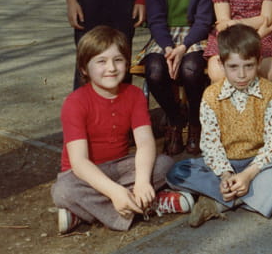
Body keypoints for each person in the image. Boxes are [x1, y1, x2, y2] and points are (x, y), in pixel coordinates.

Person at [52, 26, 193, 234]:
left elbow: (145, 142)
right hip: (85, 174)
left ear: (126, 63)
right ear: (84, 69)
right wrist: (115, 192)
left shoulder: (134, 95)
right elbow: (79, 163)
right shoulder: (75, 102)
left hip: (121, 167)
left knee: (165, 164)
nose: (111, 68)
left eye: (117, 60)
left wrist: (142, 182)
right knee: (63, 191)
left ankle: (84, 213)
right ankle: (149, 205)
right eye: (101, 61)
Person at [166, 24, 272, 228]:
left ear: (259, 62)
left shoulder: (269, 92)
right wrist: (226, 175)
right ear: (221, 64)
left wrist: (248, 175)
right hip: (223, 164)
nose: (241, 75)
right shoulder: (211, 96)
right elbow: (211, 144)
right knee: (177, 171)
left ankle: (218, 203)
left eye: (248, 66)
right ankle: (263, 195)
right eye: (233, 67)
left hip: (258, 164)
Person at [142, 0, 213, 155]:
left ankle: (194, 121)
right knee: (154, 71)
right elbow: (156, 21)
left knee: (191, 70)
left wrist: (182, 48)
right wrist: (168, 48)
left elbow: (203, 21)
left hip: (193, 36)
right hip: (164, 37)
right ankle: (175, 118)